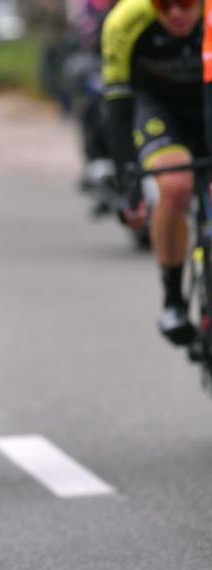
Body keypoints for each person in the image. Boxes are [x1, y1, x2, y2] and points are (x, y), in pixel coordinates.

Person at [102, 0, 204, 345]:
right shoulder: (125, 21)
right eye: (164, 4)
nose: (175, 13)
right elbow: (117, 108)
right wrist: (127, 183)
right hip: (157, 108)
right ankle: (173, 298)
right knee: (175, 186)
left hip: (206, 103)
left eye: (185, 3)